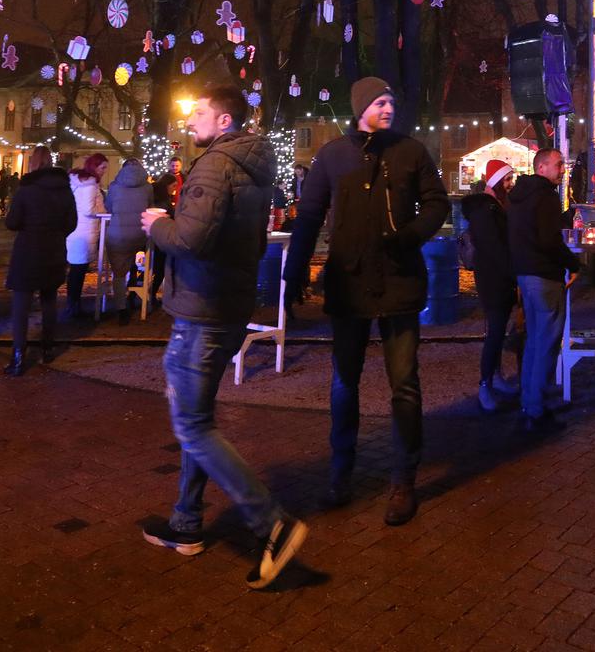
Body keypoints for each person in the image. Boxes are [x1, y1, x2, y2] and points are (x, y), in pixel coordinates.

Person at [138, 86, 307, 587]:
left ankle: (271, 523)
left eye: (199, 112)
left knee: (192, 426)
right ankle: (185, 523)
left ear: (224, 118)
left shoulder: (214, 166)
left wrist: (158, 223)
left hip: (202, 309)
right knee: (199, 418)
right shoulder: (256, 166)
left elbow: (191, 240)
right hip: (230, 305)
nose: (190, 120)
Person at [282, 77, 450, 526]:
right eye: (380, 101)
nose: (389, 107)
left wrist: (411, 236)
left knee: (405, 385)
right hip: (349, 285)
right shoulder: (333, 156)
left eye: (392, 101)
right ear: (360, 107)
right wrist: (294, 269)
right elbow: (309, 214)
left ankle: (403, 480)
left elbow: (438, 204)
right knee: (344, 383)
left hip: (398, 285)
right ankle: (341, 473)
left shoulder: (411, 151)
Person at [507, 148, 580, 433]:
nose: (563, 170)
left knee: (534, 342)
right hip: (544, 275)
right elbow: (549, 240)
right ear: (542, 167)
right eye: (559, 165)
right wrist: (573, 263)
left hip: (525, 274)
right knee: (547, 343)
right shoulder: (545, 196)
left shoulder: (519, 197)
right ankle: (537, 410)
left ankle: (529, 401)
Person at [3, 147, 77, 376]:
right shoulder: (64, 190)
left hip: (28, 250)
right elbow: (71, 222)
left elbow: (12, 222)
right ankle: (47, 347)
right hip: (53, 250)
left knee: (21, 305)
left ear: (33, 163)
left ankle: (18, 355)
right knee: (49, 300)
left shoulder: (26, 189)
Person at [462, 158, 521, 411]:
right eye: (507, 180)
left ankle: (495, 376)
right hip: (493, 279)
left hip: (499, 278)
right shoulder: (486, 210)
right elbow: (495, 249)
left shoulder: (495, 206)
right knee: (495, 333)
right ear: (496, 181)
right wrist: (513, 272)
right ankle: (485, 384)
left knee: (498, 332)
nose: (510, 184)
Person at [105, 157, 153, 322]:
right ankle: (135, 293)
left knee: (118, 272)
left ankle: (121, 307)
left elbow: (109, 207)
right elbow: (150, 207)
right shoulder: (147, 187)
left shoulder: (114, 186)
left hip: (117, 235)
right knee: (138, 260)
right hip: (139, 235)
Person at [65, 153, 109, 318]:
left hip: (77, 230)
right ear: (94, 166)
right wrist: (104, 212)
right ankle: (73, 306)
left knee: (76, 270)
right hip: (84, 231)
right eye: (102, 167)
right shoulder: (90, 185)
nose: (104, 171)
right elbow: (89, 209)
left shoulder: (79, 182)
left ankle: (73, 304)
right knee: (78, 271)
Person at [149, 156, 183, 301]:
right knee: (160, 267)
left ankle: (146, 293)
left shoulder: (158, 196)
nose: (175, 190)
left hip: (154, 237)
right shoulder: (163, 201)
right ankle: (151, 293)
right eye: (173, 186)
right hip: (159, 238)